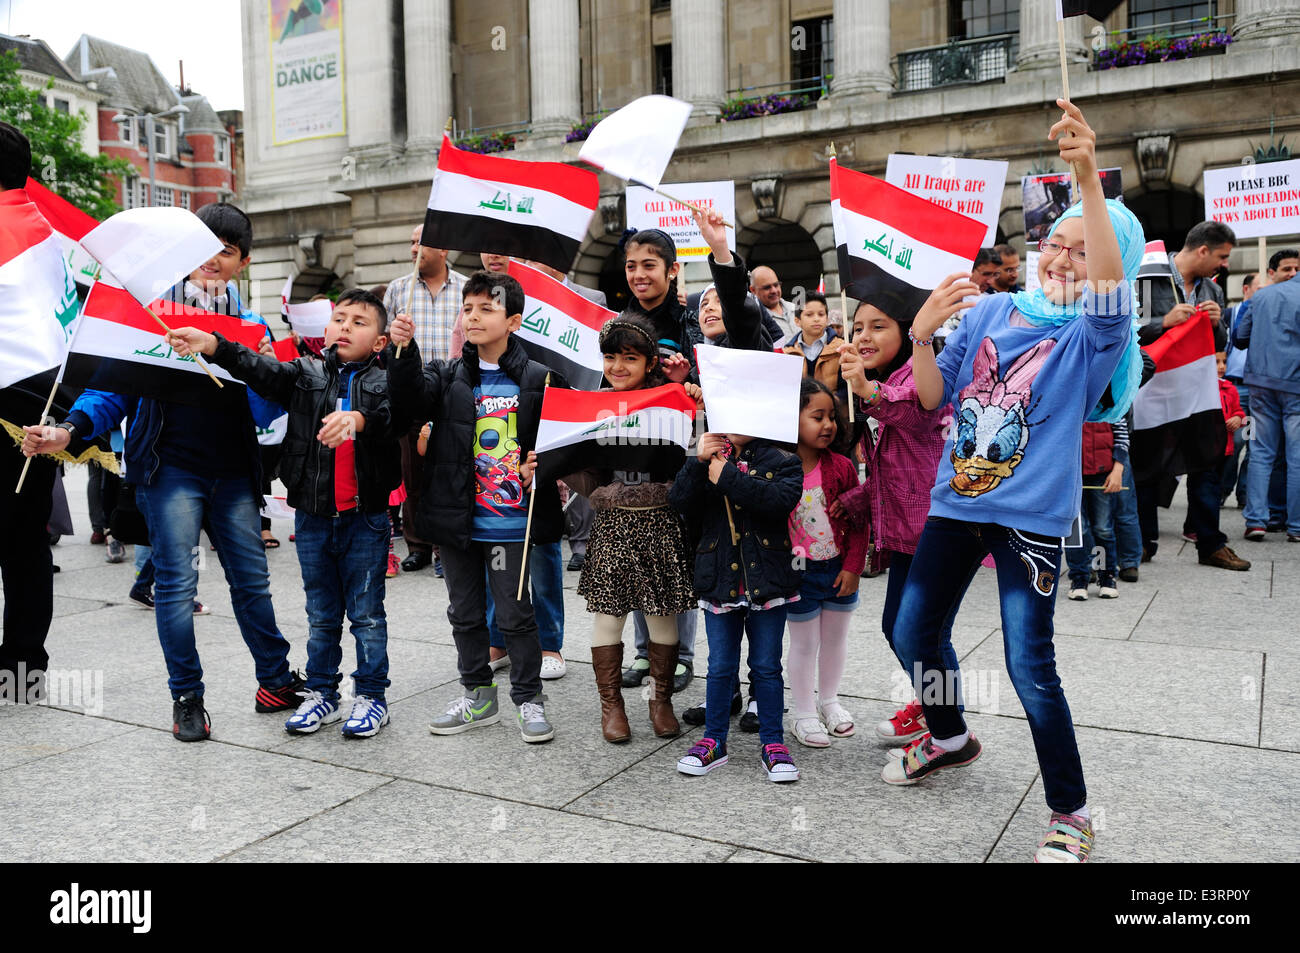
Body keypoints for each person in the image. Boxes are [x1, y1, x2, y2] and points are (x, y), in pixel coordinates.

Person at [884, 100, 1146, 862]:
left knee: (1030, 667)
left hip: (1028, 519)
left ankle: (1071, 811)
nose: (1062, 259)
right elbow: (933, 399)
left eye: (1080, 250)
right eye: (1054, 245)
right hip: (955, 503)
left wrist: (1086, 178)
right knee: (910, 630)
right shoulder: (993, 308)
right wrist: (924, 333)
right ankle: (950, 734)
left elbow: (1102, 284)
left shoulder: (1095, 335)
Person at [24, 203, 302, 741]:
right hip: (168, 470)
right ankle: (187, 698)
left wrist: (263, 367)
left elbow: (268, 413)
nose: (211, 261)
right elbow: (112, 390)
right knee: (176, 586)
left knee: (252, 583)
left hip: (235, 474)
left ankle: (273, 679)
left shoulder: (251, 326)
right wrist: (68, 430)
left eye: (225, 251)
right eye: (202, 249)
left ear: (243, 261)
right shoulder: (149, 315)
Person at [168, 288, 401, 738]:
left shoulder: (387, 381)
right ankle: (322, 694)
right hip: (313, 518)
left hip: (366, 518)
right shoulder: (305, 373)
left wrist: (359, 421)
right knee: (321, 613)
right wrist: (214, 344)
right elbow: (260, 370)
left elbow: (396, 418)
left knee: (368, 614)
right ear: (326, 329)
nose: (346, 327)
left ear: (379, 341)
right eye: (339, 319)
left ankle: (372, 696)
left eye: (359, 321)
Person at [387, 270, 560, 743]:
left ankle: (528, 699)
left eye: (487, 308)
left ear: (514, 321)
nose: (474, 316)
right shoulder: (444, 376)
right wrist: (401, 354)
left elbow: (563, 444)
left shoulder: (540, 379)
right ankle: (478, 695)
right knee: (464, 614)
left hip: (510, 524)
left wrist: (541, 463)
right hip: (457, 523)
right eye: (468, 308)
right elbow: (405, 406)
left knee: (515, 615)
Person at [551, 315, 699, 743]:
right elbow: (569, 454)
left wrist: (692, 396)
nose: (617, 366)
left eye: (629, 357)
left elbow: (692, 448)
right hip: (613, 522)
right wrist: (541, 456)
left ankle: (661, 700)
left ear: (649, 360)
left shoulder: (669, 399)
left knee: (661, 614)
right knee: (609, 616)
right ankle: (611, 706)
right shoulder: (592, 405)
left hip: (660, 519)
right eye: (610, 357)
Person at [837, 292, 964, 751]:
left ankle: (947, 728)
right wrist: (856, 498)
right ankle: (936, 710)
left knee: (919, 631)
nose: (864, 336)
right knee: (904, 628)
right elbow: (889, 465)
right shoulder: (873, 378)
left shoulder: (918, 370)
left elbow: (922, 413)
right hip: (909, 531)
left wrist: (870, 393)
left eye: (878, 326)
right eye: (858, 327)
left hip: (941, 526)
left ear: (907, 329)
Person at [671, 425, 804, 782]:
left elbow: (777, 502)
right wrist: (698, 463)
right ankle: (713, 740)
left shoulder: (784, 461)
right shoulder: (707, 456)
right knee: (720, 666)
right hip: (720, 580)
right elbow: (679, 502)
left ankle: (773, 743)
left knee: (766, 665)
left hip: (769, 581)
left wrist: (728, 477)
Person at [1134, 220, 1248, 570]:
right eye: (1222, 257)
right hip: (1152, 392)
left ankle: (1210, 543)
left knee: (1208, 463)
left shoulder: (1211, 290)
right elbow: (1125, 330)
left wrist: (1217, 325)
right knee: (1147, 467)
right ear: (1203, 250)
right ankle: (1142, 543)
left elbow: (1219, 345)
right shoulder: (1146, 276)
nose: (1225, 264)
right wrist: (1162, 323)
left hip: (1197, 394)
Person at [784, 379, 865, 748]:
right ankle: (802, 712)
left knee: (835, 640)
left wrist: (853, 567)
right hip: (797, 572)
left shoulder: (842, 467)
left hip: (837, 569)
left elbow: (859, 523)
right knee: (803, 644)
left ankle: (829, 701)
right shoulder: (779, 466)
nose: (828, 424)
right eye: (817, 416)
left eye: (832, 416)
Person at [383, 224, 467, 575]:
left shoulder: (466, 289)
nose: (414, 248)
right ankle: (416, 544)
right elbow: (385, 342)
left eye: (422, 241)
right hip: (414, 394)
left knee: (451, 471)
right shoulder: (398, 289)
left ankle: (443, 547)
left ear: (445, 248)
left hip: (454, 394)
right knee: (413, 473)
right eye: (411, 242)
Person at [1235, 250, 1300, 542]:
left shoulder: (1259, 297)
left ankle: (1256, 521)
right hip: (1295, 384)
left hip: (1260, 383)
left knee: (1260, 451)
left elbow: (1239, 336)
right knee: (1297, 456)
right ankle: (1297, 526)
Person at [1065, 420, 1129, 600]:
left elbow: (1122, 435)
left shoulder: (1111, 398)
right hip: (1070, 474)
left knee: (1103, 528)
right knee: (1076, 530)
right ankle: (1078, 578)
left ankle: (1106, 576)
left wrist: (1118, 469)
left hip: (1103, 473)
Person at [780, 292, 844, 397]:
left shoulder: (841, 348)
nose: (816, 319)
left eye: (821, 314)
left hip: (833, 411)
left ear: (827, 319)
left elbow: (846, 389)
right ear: (797, 321)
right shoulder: (788, 353)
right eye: (809, 314)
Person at [749, 264, 796, 338]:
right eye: (767, 287)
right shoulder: (754, 320)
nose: (773, 290)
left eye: (776, 285)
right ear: (753, 290)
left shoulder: (797, 309)